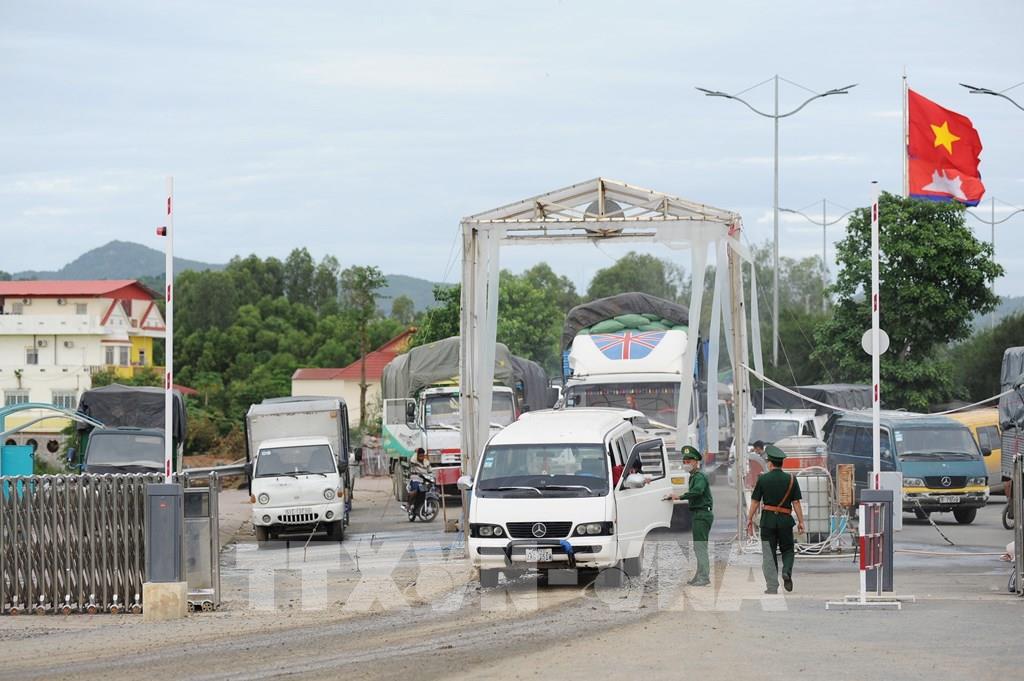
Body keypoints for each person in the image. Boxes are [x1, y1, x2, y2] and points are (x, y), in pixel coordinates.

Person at [746, 444, 804, 594]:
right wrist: (801, 521)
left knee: (768, 553)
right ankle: (786, 572)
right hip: (785, 520)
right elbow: (796, 502)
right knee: (788, 549)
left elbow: (755, 502)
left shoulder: (763, 479)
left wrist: (749, 519)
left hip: (768, 521)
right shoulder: (791, 479)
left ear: (770, 463)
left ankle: (772, 586)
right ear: (781, 463)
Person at [666, 446, 713, 586]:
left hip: (702, 514)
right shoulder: (694, 476)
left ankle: (704, 577)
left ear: (695, 462)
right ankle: (699, 576)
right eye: (684, 461)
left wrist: (679, 496)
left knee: (700, 547)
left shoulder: (699, 477)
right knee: (698, 546)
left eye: (688, 461)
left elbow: (697, 492)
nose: (686, 463)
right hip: (699, 514)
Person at [407, 447, 432, 521]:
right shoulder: (414, 460)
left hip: (424, 480)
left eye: (422, 455)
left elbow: (430, 471)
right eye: (419, 455)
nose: (421, 457)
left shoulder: (426, 462)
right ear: (417, 455)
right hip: (415, 479)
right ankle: (409, 504)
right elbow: (411, 460)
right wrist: (416, 452)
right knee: (415, 490)